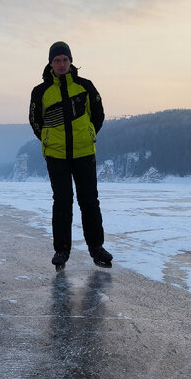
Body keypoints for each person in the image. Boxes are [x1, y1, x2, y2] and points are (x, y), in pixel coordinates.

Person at [29, 41, 112, 268]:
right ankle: (61, 251)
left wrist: (89, 133)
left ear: (71, 61)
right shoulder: (40, 91)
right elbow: (35, 121)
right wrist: (47, 139)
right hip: (56, 156)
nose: (61, 64)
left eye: (65, 59)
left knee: (89, 201)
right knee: (62, 202)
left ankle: (96, 248)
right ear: (50, 63)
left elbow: (98, 114)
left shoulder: (85, 86)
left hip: (84, 153)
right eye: (57, 60)